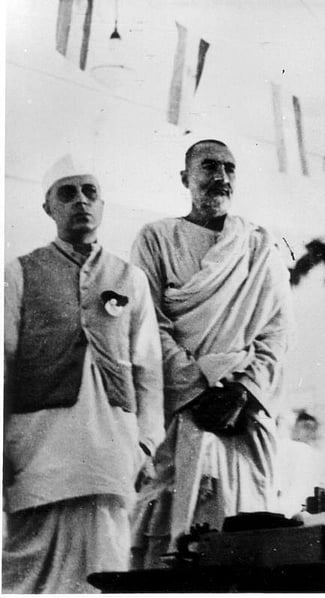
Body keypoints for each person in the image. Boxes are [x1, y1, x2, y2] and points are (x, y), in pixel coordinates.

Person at [3, 155, 164, 592]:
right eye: (67, 193)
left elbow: (148, 369)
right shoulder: (19, 272)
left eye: (90, 192)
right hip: (36, 448)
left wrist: (146, 444)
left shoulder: (129, 277)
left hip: (110, 451)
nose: (81, 202)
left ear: (103, 205)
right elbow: (4, 363)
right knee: (25, 576)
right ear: (48, 208)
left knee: (103, 572)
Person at [129, 139, 292, 568]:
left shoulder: (258, 245)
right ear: (186, 177)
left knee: (247, 543)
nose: (221, 177)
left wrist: (244, 391)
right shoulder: (156, 238)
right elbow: (148, 324)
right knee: (170, 549)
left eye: (229, 168)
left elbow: (277, 330)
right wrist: (196, 390)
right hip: (181, 410)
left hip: (243, 416)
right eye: (209, 167)